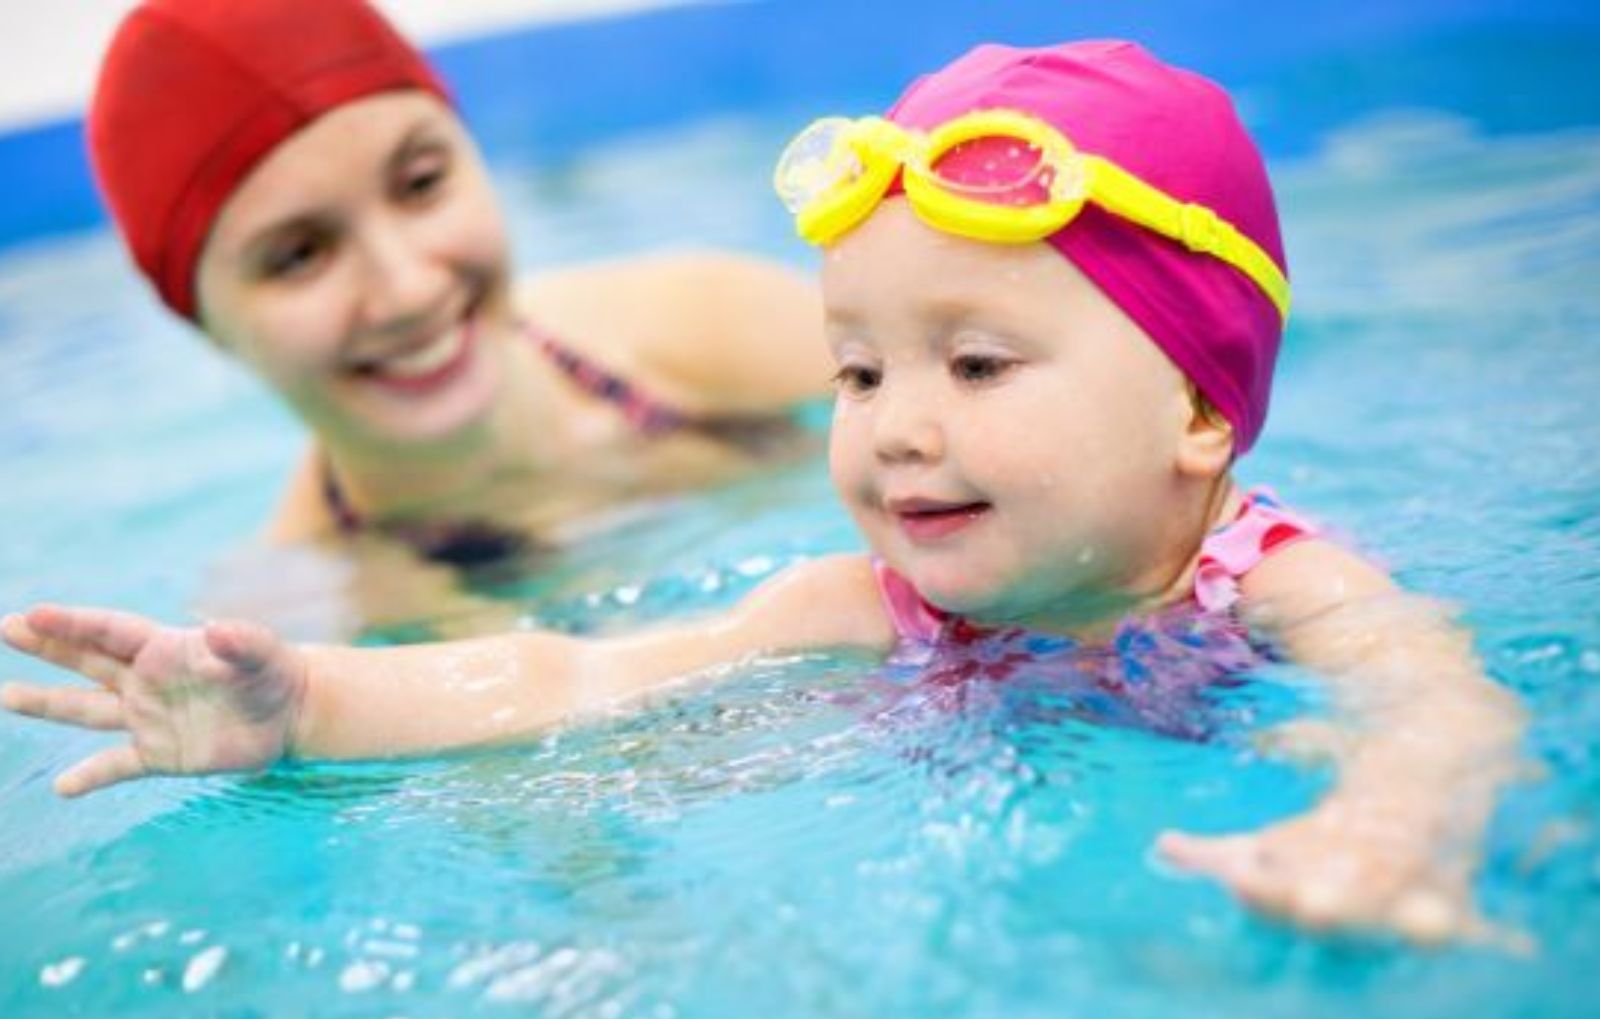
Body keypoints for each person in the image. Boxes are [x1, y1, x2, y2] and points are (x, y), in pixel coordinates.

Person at [4, 41, 1525, 944]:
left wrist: (1390, 826)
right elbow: (576, 672)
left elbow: (1437, 701)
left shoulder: (1273, 581)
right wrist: (311, 709)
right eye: (856, 374)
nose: (890, 431)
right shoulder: (856, 604)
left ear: (1199, 407)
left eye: (976, 366)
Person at [84, 0, 831, 619]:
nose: (407, 289)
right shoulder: (297, 624)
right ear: (204, 325)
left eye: (420, 183)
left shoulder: (718, 324)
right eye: (299, 255)